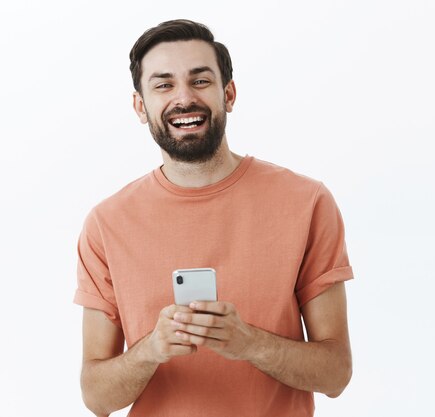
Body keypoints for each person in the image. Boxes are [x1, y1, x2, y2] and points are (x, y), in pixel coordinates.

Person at [73, 19, 353, 417]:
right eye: (163, 85)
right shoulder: (106, 223)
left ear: (229, 93)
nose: (183, 99)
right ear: (141, 106)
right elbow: (96, 397)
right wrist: (151, 350)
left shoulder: (306, 202)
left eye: (200, 81)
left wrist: (249, 343)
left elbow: (336, 374)